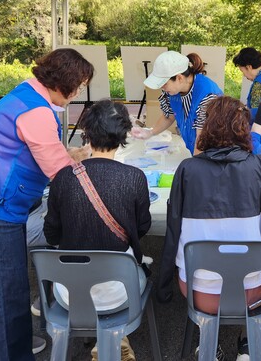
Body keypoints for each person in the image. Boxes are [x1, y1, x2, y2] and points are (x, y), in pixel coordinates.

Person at [0, 48, 94, 361]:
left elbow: (38, 151)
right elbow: (58, 172)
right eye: (79, 86)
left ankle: (12, 346)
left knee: (8, 286)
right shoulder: (37, 112)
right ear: (64, 82)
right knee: (6, 292)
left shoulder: (26, 93)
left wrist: (71, 156)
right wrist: (101, 181)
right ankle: (9, 353)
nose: (78, 94)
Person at [157, 96, 261, 361]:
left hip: (198, 290)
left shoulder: (187, 169)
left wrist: (162, 283)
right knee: (254, 264)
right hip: (251, 290)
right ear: (244, 128)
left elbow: (173, 231)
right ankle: (247, 342)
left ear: (208, 126)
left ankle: (208, 338)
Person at [44, 100, 151, 361]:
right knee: (139, 268)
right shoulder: (134, 177)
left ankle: (102, 341)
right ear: (124, 135)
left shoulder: (63, 178)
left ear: (87, 135)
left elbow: (51, 235)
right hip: (119, 291)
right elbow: (142, 228)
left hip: (69, 292)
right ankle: (114, 338)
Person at [131, 51, 222, 154]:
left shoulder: (207, 95)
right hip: (195, 150)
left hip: (212, 153)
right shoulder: (172, 91)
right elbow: (168, 117)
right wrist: (150, 132)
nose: (162, 88)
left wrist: (195, 162)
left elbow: (202, 140)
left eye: (164, 84)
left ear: (179, 78)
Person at [232, 47, 261, 120]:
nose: (244, 75)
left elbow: (256, 114)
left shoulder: (259, 85)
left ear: (249, 67)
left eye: (242, 71)